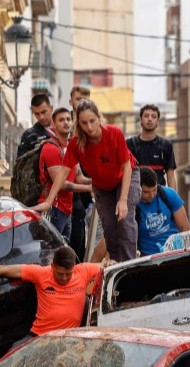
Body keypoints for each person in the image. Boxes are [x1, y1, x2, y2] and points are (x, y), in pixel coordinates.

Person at [0, 246, 111, 344]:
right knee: (11, 361)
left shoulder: (82, 271)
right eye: (60, 274)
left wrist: (111, 263)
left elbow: (108, 266)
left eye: (68, 274)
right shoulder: (40, 273)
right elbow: (2, 269)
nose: (64, 278)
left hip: (68, 340)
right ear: (52, 266)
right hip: (38, 337)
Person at [50, 99, 142, 263]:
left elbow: (126, 167)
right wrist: (48, 201)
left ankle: (130, 263)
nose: (89, 127)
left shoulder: (114, 133)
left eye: (92, 121)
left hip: (126, 177)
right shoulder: (77, 143)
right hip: (102, 185)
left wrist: (122, 200)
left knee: (125, 221)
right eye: (84, 123)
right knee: (109, 226)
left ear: (99, 117)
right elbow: (63, 172)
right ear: (79, 123)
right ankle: (116, 263)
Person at [31, 107, 89, 240]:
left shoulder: (71, 148)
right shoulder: (51, 148)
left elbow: (79, 178)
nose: (66, 122)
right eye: (61, 120)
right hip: (53, 209)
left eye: (68, 119)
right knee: (50, 252)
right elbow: (61, 184)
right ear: (53, 124)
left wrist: (96, 181)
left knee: (62, 254)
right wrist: (89, 188)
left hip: (66, 210)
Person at [135, 167, 190, 256]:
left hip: (174, 253)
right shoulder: (132, 206)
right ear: (137, 188)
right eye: (146, 192)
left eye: (154, 189)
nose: (152, 195)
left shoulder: (169, 194)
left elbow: (184, 227)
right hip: (149, 257)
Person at [68, 85, 94, 260]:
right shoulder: (65, 123)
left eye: (85, 99)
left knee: (88, 240)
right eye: (78, 99)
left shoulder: (92, 125)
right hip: (71, 192)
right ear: (71, 102)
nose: (82, 103)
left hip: (89, 188)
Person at [126, 104, 176, 187]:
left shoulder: (166, 145)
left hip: (158, 194)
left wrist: (173, 198)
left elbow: (170, 176)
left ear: (158, 122)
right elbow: (124, 173)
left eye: (153, 116)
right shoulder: (129, 144)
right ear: (140, 120)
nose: (149, 119)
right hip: (135, 195)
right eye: (146, 116)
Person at [16, 93, 56, 160]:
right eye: (37, 114)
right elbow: (21, 163)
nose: (41, 117)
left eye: (44, 112)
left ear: (51, 108)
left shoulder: (64, 129)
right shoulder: (29, 135)